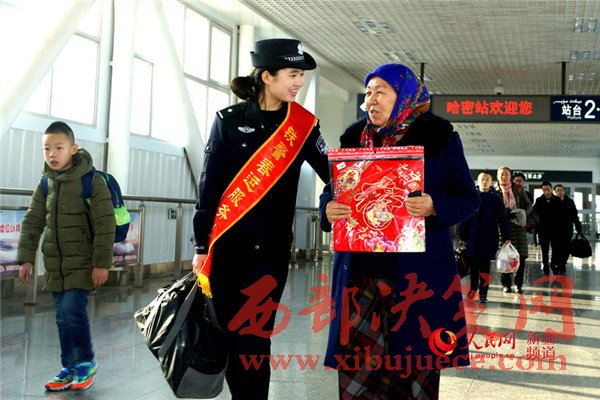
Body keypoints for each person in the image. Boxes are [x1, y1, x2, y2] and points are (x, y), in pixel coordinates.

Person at [321, 63, 479, 400]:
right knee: (358, 372)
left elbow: (468, 197)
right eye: (368, 93)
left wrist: (435, 205)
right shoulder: (354, 139)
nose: (371, 101)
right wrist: (327, 209)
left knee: (413, 370)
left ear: (405, 96)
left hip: (418, 276)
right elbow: (332, 190)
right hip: (360, 277)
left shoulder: (440, 138)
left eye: (381, 92)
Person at [191, 38, 330, 400]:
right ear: (267, 76)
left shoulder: (303, 125)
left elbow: (335, 173)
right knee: (228, 334)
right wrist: (201, 246)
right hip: (226, 249)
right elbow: (209, 186)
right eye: (293, 74)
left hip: (269, 254)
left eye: (301, 75)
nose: (299, 82)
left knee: (253, 337)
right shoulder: (229, 121)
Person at [16, 121, 115, 391]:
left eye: (59, 148)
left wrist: (101, 264)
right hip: (55, 264)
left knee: (72, 311)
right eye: (46, 148)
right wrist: (26, 258)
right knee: (61, 317)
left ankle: (85, 363)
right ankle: (68, 367)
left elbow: (105, 224)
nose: (52, 154)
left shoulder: (91, 181)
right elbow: (33, 221)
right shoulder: (45, 183)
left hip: (83, 262)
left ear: (73, 148)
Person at [458, 170, 511, 303]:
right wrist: (462, 236)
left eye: (488, 179)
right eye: (482, 179)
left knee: (485, 267)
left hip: (489, 238)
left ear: (491, 182)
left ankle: (483, 293)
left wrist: (506, 236)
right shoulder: (472, 197)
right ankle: (473, 288)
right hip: (473, 238)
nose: (485, 182)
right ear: (478, 182)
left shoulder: (495, 199)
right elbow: (465, 217)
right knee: (473, 266)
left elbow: (502, 218)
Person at [496, 167, 532, 293]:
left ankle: (518, 284)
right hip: (503, 228)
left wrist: (522, 213)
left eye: (506, 174)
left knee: (520, 257)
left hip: (518, 227)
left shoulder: (518, 189)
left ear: (510, 176)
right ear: (498, 176)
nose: (504, 176)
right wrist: (503, 214)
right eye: (502, 174)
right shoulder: (494, 191)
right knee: (504, 257)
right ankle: (506, 284)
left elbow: (529, 204)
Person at [553, 184, 582, 274]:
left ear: (564, 191)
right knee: (556, 249)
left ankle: (562, 265)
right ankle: (555, 264)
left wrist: (579, 229)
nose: (560, 192)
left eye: (561, 190)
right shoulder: (553, 201)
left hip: (567, 230)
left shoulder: (569, 202)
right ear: (555, 192)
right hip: (555, 231)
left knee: (566, 249)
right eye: (558, 190)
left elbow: (575, 216)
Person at [532, 181, 560, 275]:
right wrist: (536, 228)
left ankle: (553, 264)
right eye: (544, 190)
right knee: (544, 250)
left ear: (551, 189)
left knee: (555, 249)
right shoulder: (539, 200)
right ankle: (546, 266)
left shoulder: (557, 199)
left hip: (555, 230)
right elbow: (535, 214)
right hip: (543, 230)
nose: (546, 191)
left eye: (548, 189)